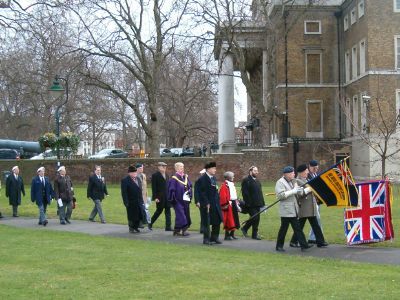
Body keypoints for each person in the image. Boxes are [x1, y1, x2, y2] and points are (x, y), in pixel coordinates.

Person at [275, 166, 313, 252]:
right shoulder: (280, 182)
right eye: (292, 173)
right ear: (287, 174)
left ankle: (304, 245)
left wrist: (307, 190)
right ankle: (279, 246)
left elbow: (299, 192)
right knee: (284, 229)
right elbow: (280, 196)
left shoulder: (292, 181)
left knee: (297, 228)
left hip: (293, 209)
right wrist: (293, 191)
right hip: (286, 210)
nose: (294, 174)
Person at [289, 164, 328, 248]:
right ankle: (293, 241)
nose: (307, 172)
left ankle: (320, 241)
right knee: (301, 226)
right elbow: (299, 194)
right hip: (304, 207)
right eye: (306, 170)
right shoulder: (296, 181)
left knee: (314, 225)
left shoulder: (307, 179)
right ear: (301, 172)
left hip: (311, 206)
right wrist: (309, 189)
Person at [196, 162, 223, 245]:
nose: (215, 170)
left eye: (215, 168)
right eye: (213, 168)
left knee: (217, 220)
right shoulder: (202, 179)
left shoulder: (213, 178)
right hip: (206, 204)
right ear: (208, 169)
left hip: (215, 203)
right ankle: (206, 239)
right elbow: (202, 193)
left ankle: (214, 237)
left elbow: (215, 190)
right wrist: (206, 202)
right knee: (206, 222)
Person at [167, 162, 192, 236]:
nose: (182, 168)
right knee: (181, 214)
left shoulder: (185, 177)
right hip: (177, 200)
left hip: (185, 200)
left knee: (184, 214)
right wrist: (174, 199)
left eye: (183, 167)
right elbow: (171, 189)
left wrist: (189, 191)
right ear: (176, 168)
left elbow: (190, 186)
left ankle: (176, 230)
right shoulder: (174, 178)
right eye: (181, 167)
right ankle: (184, 230)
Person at [241, 166, 265, 240]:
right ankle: (250, 232)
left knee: (256, 219)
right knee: (255, 218)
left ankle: (247, 229)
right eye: (255, 171)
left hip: (258, 204)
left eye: (257, 171)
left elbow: (260, 193)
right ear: (250, 171)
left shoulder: (257, 181)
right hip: (251, 204)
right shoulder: (246, 180)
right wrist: (248, 203)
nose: (256, 172)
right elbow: (245, 193)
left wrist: (263, 204)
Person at [121, 166, 144, 233]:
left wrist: (142, 200)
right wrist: (126, 202)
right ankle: (131, 227)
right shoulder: (125, 180)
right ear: (129, 173)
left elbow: (140, 191)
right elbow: (124, 192)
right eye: (133, 172)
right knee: (131, 215)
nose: (134, 173)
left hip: (138, 200)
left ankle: (136, 227)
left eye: (135, 172)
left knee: (139, 214)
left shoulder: (138, 179)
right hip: (130, 201)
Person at [149, 162, 171, 231]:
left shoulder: (167, 175)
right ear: (159, 167)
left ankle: (168, 227)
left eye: (165, 166)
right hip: (160, 197)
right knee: (159, 211)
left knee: (168, 211)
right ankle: (150, 223)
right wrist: (155, 197)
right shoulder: (155, 175)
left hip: (167, 197)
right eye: (163, 166)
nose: (164, 168)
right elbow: (154, 187)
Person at [219, 171, 241, 240]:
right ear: (228, 177)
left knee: (234, 219)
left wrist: (237, 202)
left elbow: (234, 194)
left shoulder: (231, 185)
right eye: (232, 176)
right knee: (228, 220)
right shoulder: (224, 186)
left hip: (233, 203)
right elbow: (222, 196)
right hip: (228, 204)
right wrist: (225, 204)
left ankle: (232, 234)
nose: (233, 177)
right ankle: (227, 235)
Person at [308, 159, 323, 244]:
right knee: (317, 219)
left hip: (317, 200)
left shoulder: (315, 174)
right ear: (310, 167)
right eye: (314, 168)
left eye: (316, 168)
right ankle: (317, 238)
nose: (315, 170)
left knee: (316, 220)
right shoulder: (307, 175)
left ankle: (312, 237)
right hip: (311, 201)